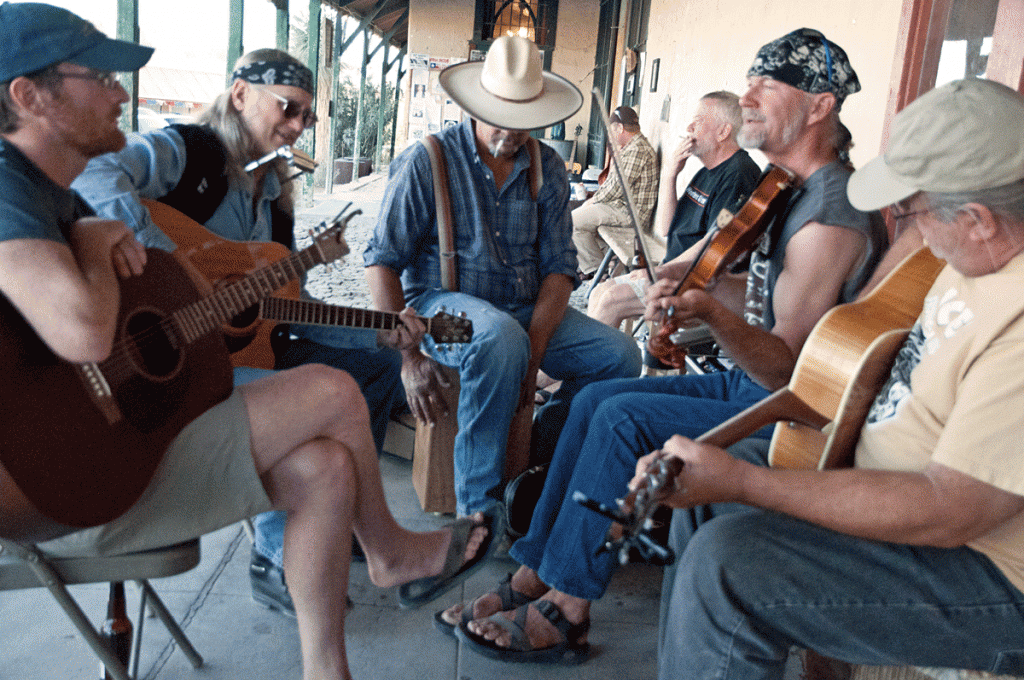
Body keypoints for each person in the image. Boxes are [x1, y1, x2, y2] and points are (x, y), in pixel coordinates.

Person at [0, 5, 496, 679]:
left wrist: (388, 330)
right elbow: (85, 329)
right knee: (331, 393)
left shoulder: (49, 194)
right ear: (27, 96)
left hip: (113, 434)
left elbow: (272, 304)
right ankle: (390, 553)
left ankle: (329, 669)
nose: (121, 94)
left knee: (326, 467)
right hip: (54, 485)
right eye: (101, 77)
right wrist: (148, 261)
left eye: (305, 115)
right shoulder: (20, 188)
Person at [444, 27, 888, 663]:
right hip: (754, 384)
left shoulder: (831, 209)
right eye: (750, 79)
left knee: (624, 417)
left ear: (821, 106)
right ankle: (537, 569)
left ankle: (568, 606)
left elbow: (784, 366)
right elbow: (768, 294)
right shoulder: (788, 191)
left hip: (792, 412)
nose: (749, 95)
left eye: (770, 82)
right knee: (597, 397)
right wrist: (694, 282)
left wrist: (708, 309)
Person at [654, 76, 1024, 680]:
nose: (908, 224)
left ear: (980, 218)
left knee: (727, 567)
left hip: (989, 573)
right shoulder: (976, 248)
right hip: (882, 476)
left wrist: (746, 483)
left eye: (912, 208)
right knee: (699, 508)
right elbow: (858, 326)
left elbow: (950, 508)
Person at [70, 46, 411, 617]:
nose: (297, 125)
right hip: (165, 365)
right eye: (288, 107)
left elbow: (283, 308)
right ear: (239, 95)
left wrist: (380, 329)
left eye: (307, 116)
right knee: (314, 397)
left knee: (374, 367)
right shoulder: (188, 150)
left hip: (234, 352)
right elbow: (95, 170)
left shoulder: (275, 193)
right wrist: (172, 274)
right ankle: (275, 558)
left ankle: (340, 519)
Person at [363, 35, 642, 517]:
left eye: (525, 122)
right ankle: (480, 512)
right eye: (503, 117)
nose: (514, 133)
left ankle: (541, 463)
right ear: (476, 104)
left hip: (522, 309)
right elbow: (381, 261)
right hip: (440, 310)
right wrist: (409, 357)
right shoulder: (426, 161)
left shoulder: (547, 168)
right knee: (498, 339)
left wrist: (533, 361)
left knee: (619, 356)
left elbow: (558, 270)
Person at [587, 91, 761, 329]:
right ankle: (598, 361)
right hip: (675, 271)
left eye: (698, 121)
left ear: (723, 132)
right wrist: (670, 173)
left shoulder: (739, 174)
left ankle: (593, 365)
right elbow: (667, 228)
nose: (689, 127)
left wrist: (660, 271)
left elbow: (716, 242)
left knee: (611, 301)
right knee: (601, 290)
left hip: (700, 283)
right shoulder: (706, 171)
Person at [571, 105, 659, 280]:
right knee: (581, 220)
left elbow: (616, 188)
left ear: (620, 128)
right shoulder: (630, 147)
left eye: (611, 130)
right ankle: (596, 266)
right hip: (618, 207)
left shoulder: (638, 150)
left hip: (629, 214)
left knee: (572, 222)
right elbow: (611, 184)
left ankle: (597, 271)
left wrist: (592, 201)